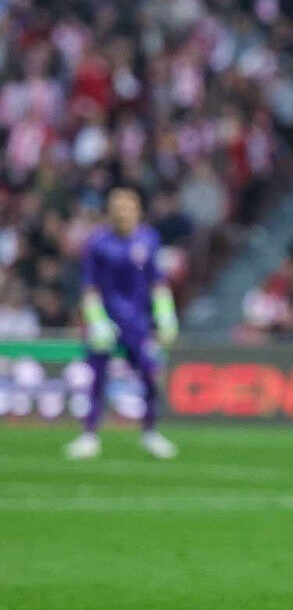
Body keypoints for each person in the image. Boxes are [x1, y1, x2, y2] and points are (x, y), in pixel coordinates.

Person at [64, 187, 180, 460]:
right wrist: (97, 321)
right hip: (106, 321)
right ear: (109, 211)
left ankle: (150, 432)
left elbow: (157, 281)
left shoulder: (149, 240)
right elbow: (89, 287)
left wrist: (166, 314)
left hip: (138, 323)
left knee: (150, 375)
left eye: (127, 207)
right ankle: (89, 434)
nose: (122, 213)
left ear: (137, 210)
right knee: (97, 378)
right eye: (117, 207)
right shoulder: (97, 243)